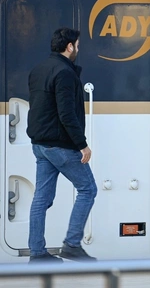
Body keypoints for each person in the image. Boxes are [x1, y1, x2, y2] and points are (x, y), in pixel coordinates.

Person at [26, 27, 97, 263]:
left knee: (41, 199)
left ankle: (37, 253)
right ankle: (72, 244)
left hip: (41, 145)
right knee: (88, 189)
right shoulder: (64, 73)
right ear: (69, 47)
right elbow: (66, 114)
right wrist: (82, 145)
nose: (78, 49)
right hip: (60, 146)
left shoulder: (38, 70)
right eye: (77, 45)